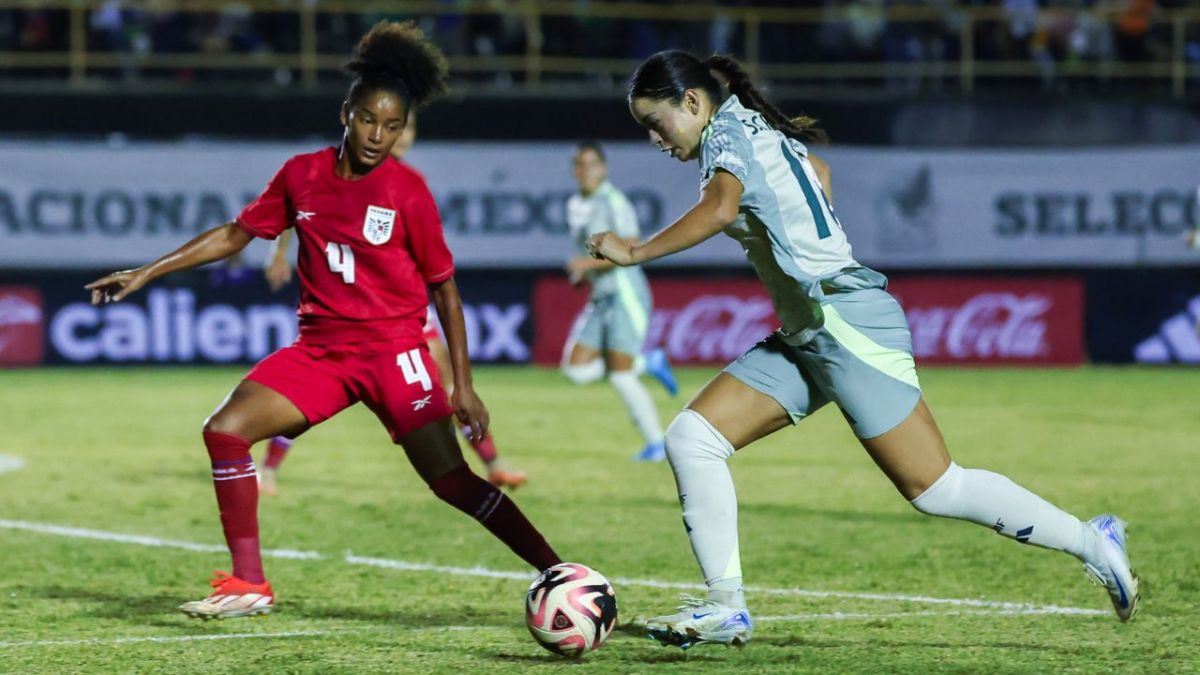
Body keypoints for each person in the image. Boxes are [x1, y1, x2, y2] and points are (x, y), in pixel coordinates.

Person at [588, 50, 1139, 649]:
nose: (653, 138)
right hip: (813, 329)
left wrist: (635, 252)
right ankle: (726, 607)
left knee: (936, 488)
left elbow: (721, 210)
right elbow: (818, 172)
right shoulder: (748, 128)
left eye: (655, 122)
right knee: (693, 437)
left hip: (843, 323)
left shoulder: (729, 134)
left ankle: (1093, 540)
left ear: (691, 102)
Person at [86, 21, 561, 620]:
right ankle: (249, 585)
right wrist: (146, 272)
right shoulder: (301, 174)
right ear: (346, 112)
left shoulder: (408, 192)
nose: (378, 136)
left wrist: (463, 385)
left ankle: (556, 569)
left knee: (451, 482)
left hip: (396, 354)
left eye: (392, 126)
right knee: (224, 430)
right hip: (322, 353)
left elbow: (445, 290)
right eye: (368, 120)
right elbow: (236, 233)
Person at [259, 110, 527, 494]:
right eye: (387, 127)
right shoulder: (345, 173)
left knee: (448, 382)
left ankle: (493, 462)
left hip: (402, 312)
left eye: (405, 128)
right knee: (310, 394)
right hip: (350, 312)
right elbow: (298, 209)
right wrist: (279, 254)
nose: (398, 137)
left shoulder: (408, 185)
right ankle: (269, 468)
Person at [561, 140, 679, 462]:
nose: (585, 171)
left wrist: (584, 265)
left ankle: (657, 445)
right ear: (574, 170)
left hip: (626, 293)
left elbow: (629, 246)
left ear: (603, 168)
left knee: (620, 376)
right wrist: (585, 274)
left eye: (591, 164)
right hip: (600, 296)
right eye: (580, 165)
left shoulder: (613, 201)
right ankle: (649, 362)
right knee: (574, 369)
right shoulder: (574, 204)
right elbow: (595, 252)